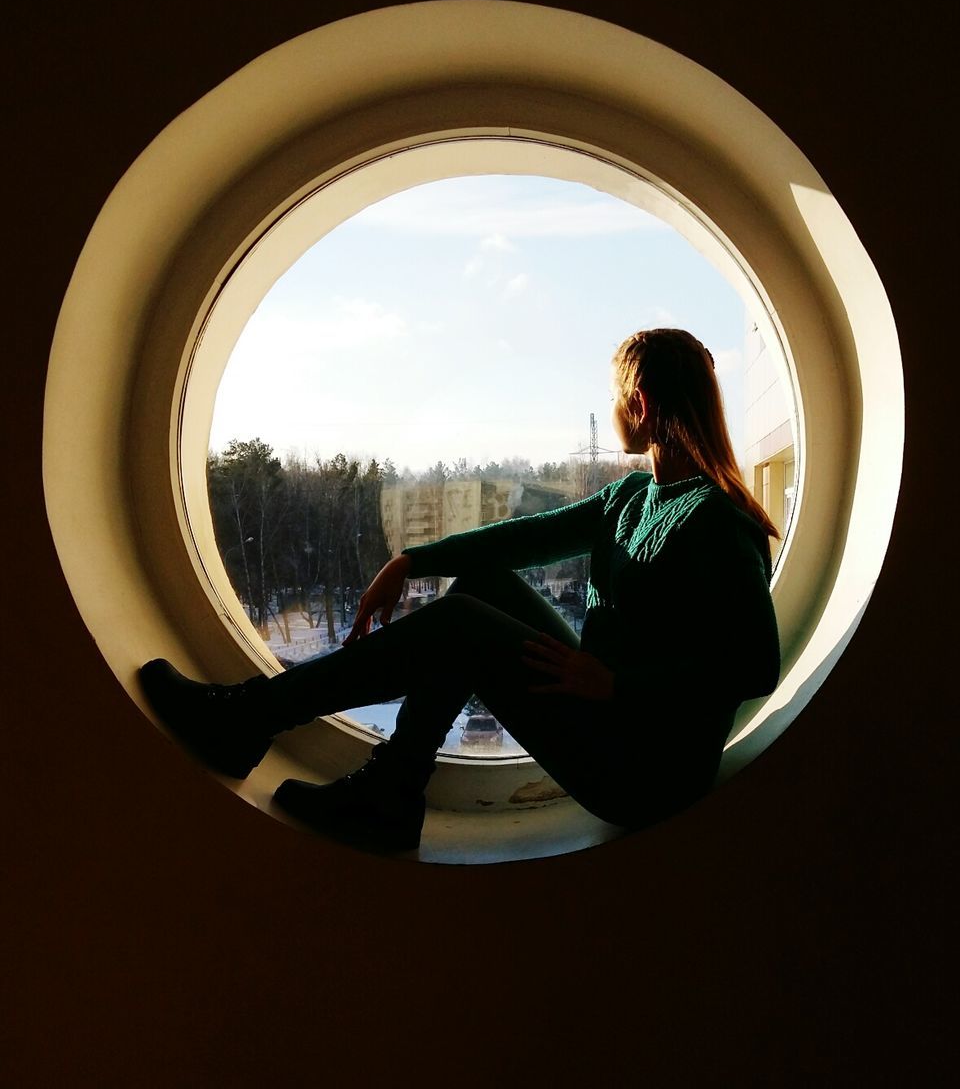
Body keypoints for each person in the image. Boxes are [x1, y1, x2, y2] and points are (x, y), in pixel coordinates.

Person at [140, 328, 781, 851]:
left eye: (616, 399)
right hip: (603, 714)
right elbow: (521, 540)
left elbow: (755, 665)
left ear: (637, 402)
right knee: (479, 588)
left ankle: (251, 720)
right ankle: (389, 791)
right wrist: (414, 559)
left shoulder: (718, 521)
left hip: (644, 770)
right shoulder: (633, 496)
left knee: (460, 629)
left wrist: (616, 685)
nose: (615, 411)